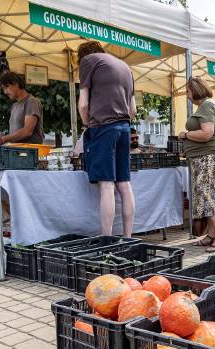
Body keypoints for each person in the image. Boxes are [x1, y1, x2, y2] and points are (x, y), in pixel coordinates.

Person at [78, 41, 136, 237]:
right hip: (124, 127)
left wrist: (87, 125)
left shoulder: (87, 61)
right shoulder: (125, 67)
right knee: (124, 184)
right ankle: (128, 237)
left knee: (106, 185)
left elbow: (83, 105)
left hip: (103, 127)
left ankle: (107, 238)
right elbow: (133, 109)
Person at [178, 77, 215, 253]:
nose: (187, 96)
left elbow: (207, 133)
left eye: (187, 91)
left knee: (211, 199)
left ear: (195, 89)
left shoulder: (207, 106)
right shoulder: (206, 106)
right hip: (204, 158)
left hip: (209, 158)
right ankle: (211, 236)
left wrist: (186, 135)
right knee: (206, 198)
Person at [0, 72, 44, 144]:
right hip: (16, 151)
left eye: (6, 87)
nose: (5, 92)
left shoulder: (32, 102)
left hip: (30, 153)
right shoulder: (14, 106)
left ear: (16, 84)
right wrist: (4, 137)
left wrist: (3, 139)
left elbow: (27, 131)